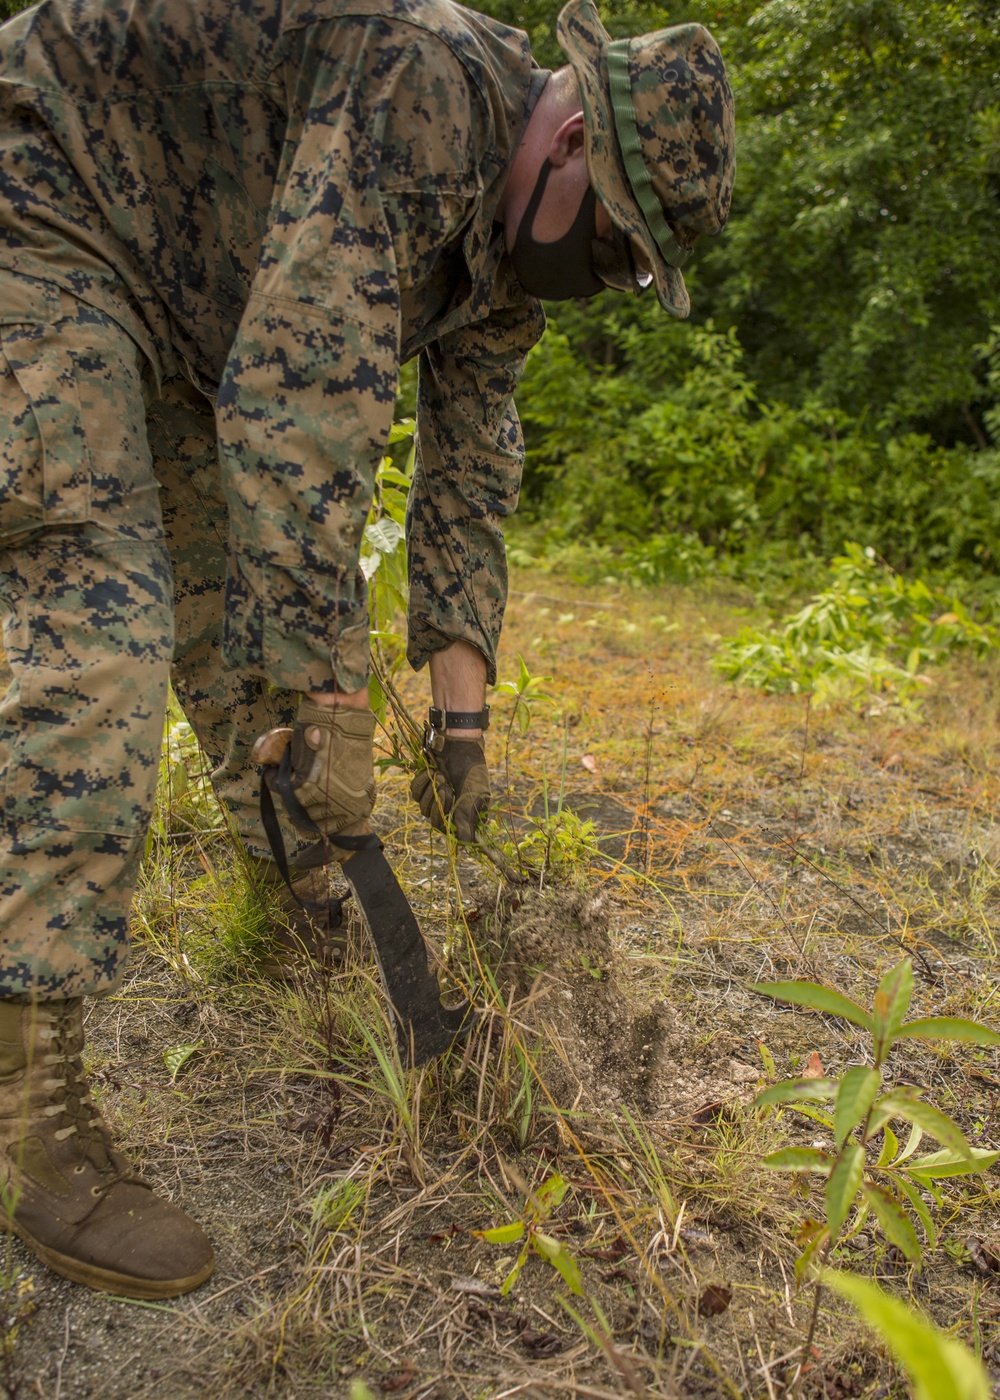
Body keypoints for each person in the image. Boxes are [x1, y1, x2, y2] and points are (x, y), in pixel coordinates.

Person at [0, 0, 734, 1298]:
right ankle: (29, 1125)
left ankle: (303, 898)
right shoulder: (424, 89)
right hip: (45, 202)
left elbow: (464, 484)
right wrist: (337, 700)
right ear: (567, 146)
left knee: (241, 619)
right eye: (619, 246)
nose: (610, 278)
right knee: (100, 613)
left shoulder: (505, 259)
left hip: (175, 300)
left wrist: (461, 738)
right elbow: (299, 411)